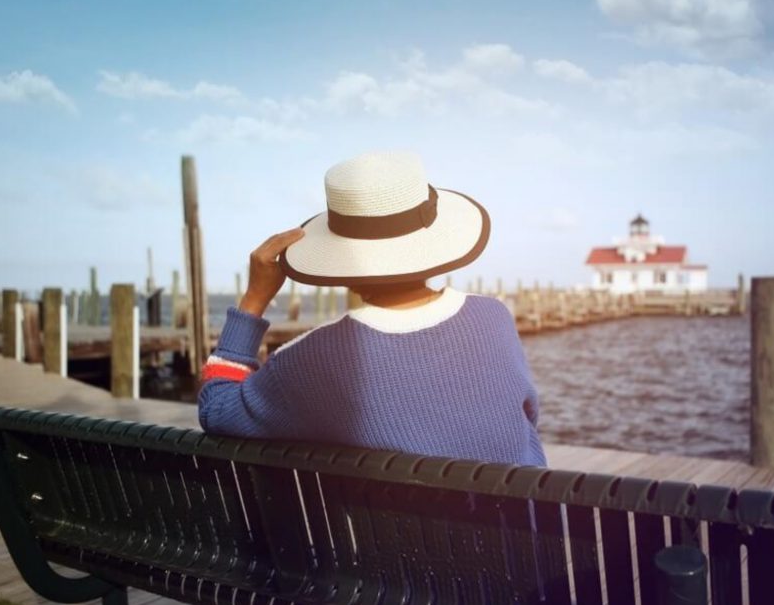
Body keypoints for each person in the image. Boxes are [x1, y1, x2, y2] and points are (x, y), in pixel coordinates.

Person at [198, 151, 546, 466]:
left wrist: (254, 300)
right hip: (523, 532)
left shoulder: (315, 358)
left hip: (396, 537)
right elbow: (527, 416)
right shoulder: (493, 317)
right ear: (433, 247)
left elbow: (217, 410)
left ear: (340, 263)